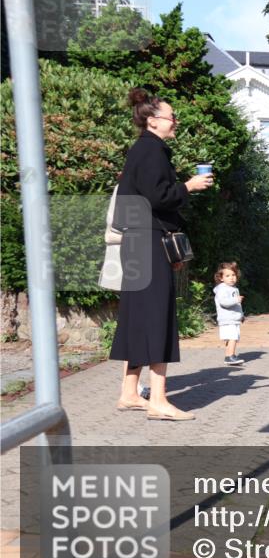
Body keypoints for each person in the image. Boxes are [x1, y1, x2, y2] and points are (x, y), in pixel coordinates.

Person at [111, 87, 214, 421]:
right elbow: (158, 197)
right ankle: (157, 400)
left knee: (138, 318)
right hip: (149, 242)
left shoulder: (141, 149)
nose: (175, 122)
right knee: (158, 318)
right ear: (154, 121)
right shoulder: (152, 151)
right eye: (172, 117)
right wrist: (188, 186)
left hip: (136, 242)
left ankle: (129, 393)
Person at [214, 262, 245, 366]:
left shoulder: (233, 289)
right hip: (227, 319)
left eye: (233, 275)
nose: (231, 278)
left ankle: (229, 356)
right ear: (221, 278)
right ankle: (230, 356)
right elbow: (224, 302)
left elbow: (237, 306)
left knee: (232, 337)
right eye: (227, 276)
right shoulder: (222, 289)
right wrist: (236, 300)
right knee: (233, 337)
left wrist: (241, 315)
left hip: (233, 318)